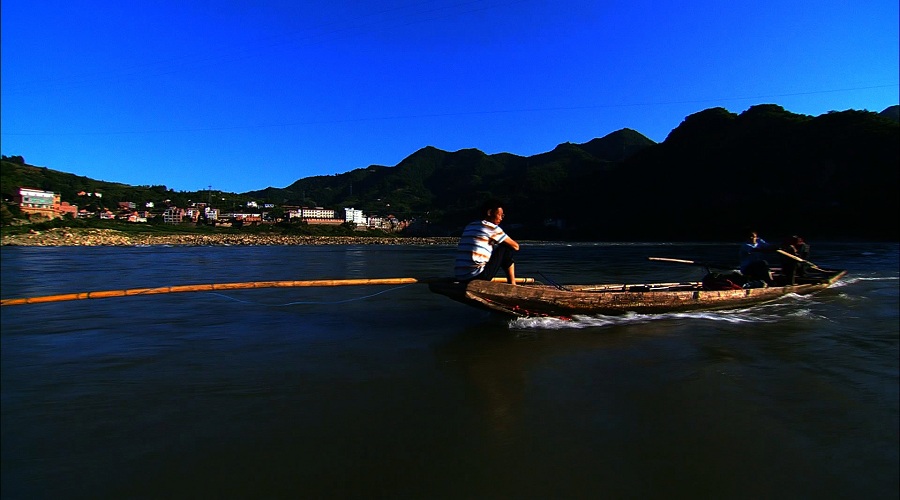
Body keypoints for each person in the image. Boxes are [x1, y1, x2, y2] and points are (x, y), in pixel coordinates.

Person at [454, 199, 520, 284]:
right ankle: (512, 283)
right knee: (506, 248)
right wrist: (498, 242)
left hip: (460, 276)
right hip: (477, 276)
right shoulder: (491, 227)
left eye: (502, 216)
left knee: (501, 247)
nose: (501, 218)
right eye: (499, 215)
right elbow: (516, 246)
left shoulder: (470, 226)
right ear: (489, 213)